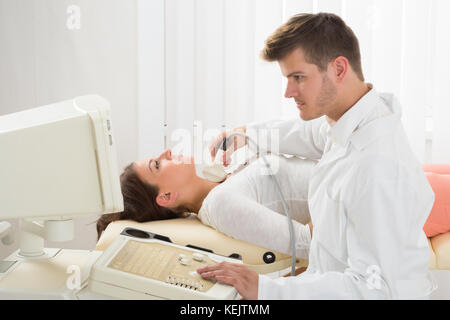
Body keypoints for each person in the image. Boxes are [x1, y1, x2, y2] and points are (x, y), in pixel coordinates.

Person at [196, 12, 436, 299]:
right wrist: (248, 133)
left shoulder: (376, 166)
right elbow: (309, 135)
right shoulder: (354, 120)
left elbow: (375, 289)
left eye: (298, 77)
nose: (288, 92)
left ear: (338, 69)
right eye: (288, 78)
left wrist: (268, 290)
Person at [96, 149, 315, 260]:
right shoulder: (220, 205)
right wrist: (343, 189)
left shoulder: (225, 178)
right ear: (166, 196)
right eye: (157, 164)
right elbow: (306, 242)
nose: (167, 152)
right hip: (345, 192)